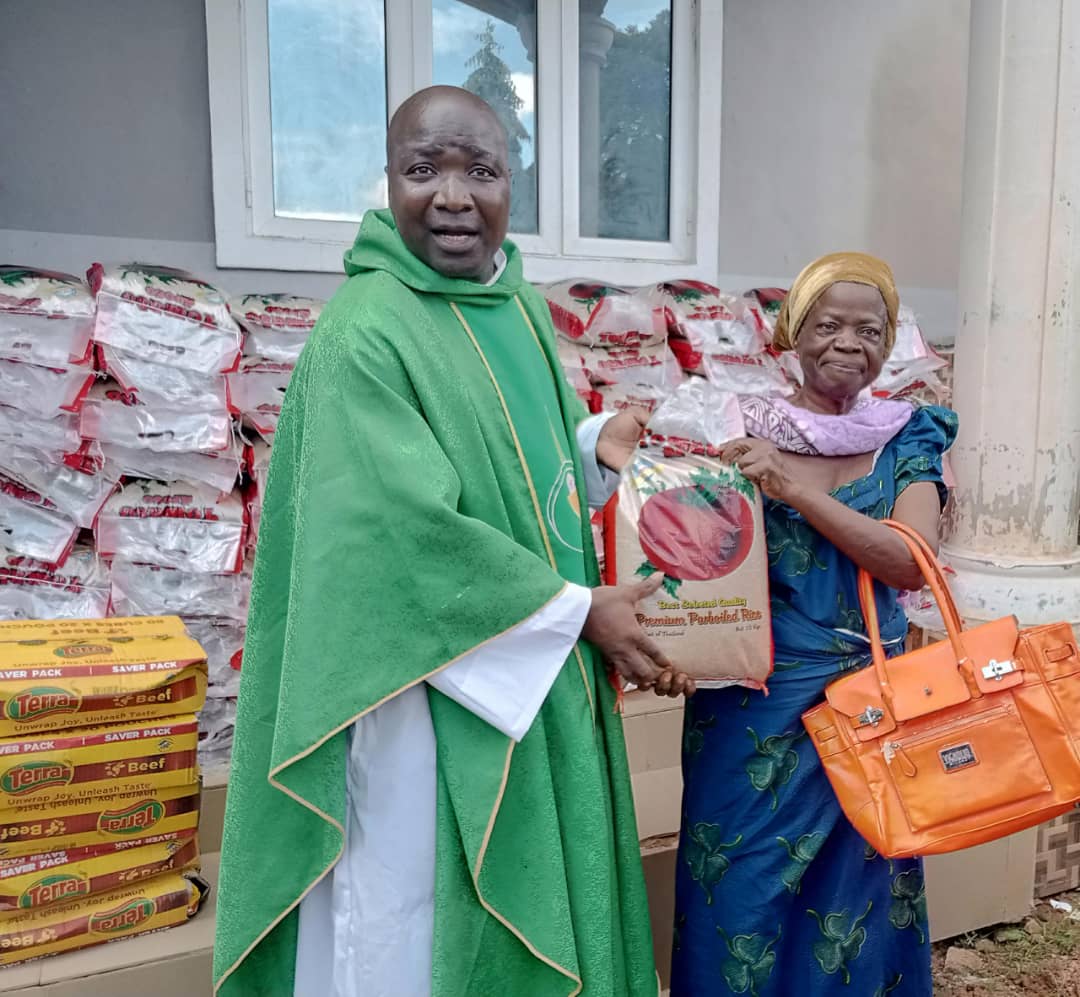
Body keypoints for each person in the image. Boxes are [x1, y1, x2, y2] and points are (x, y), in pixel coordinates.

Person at [213, 85, 692, 997]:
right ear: (387, 182)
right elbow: (401, 535)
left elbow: (507, 471)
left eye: (482, 170)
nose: (454, 195)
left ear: (515, 183)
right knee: (410, 922)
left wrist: (590, 451)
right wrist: (577, 613)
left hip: (528, 666)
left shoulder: (509, 307)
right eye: (422, 169)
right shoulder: (364, 332)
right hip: (415, 696)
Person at [670, 253, 958, 997]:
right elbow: (690, 551)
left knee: (856, 901)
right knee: (741, 891)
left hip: (870, 706)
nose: (847, 342)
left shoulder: (908, 436)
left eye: (870, 329)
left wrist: (792, 489)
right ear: (792, 333)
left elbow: (906, 558)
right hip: (752, 708)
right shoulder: (734, 428)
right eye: (827, 325)